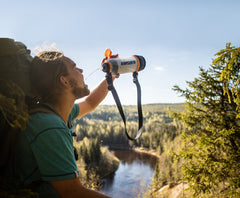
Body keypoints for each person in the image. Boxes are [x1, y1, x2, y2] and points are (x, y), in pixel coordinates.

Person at [5, 51, 118, 198]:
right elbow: (72, 192)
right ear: (64, 81)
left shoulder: (57, 113)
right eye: (75, 67)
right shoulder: (49, 125)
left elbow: (90, 102)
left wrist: (112, 75)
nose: (81, 70)